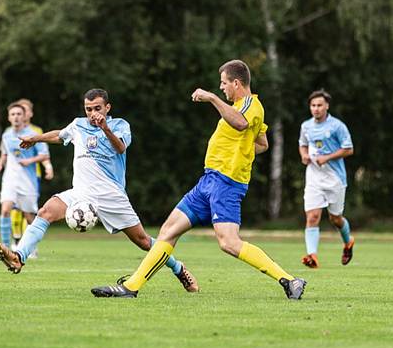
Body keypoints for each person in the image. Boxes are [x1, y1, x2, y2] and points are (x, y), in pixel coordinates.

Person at [91, 60, 306, 299]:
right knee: (168, 231)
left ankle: (290, 280)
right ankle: (130, 287)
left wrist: (212, 98)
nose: (222, 87)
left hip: (227, 183)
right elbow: (262, 144)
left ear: (236, 83)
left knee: (229, 243)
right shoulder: (239, 106)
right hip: (208, 181)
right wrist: (240, 151)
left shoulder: (249, 105)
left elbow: (240, 123)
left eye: (224, 83)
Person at [0, 89, 199, 293]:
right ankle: (19, 257)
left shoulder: (120, 125)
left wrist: (105, 128)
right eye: (88, 109)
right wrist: (35, 138)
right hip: (80, 192)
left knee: (143, 241)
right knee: (45, 211)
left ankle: (178, 268)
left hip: (111, 195)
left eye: (97, 108)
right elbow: (59, 135)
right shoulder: (78, 124)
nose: (92, 113)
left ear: (107, 107)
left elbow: (120, 148)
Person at [298, 89, 356, 268]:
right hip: (314, 178)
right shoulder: (306, 126)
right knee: (313, 216)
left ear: (327, 106)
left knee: (335, 219)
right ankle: (312, 255)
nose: (316, 109)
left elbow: (349, 149)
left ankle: (348, 242)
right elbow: (302, 144)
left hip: (335, 179)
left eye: (319, 105)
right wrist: (304, 155)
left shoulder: (337, 126)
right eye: (313, 105)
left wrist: (327, 157)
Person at [0, 102, 49, 250]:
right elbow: (4, 154)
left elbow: (44, 155)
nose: (16, 117)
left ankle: (31, 248)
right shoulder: (6, 135)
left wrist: (30, 160)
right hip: (10, 179)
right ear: (9, 118)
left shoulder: (34, 135)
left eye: (19, 114)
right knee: (5, 210)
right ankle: (4, 248)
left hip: (28, 181)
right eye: (13, 114)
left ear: (24, 116)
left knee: (29, 216)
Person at [9, 98, 53, 256]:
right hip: (14, 178)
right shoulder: (11, 132)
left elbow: (44, 151)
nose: (22, 114)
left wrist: (48, 167)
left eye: (25, 110)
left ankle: (29, 245)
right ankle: (15, 243)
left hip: (32, 177)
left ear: (30, 113)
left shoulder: (36, 131)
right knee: (13, 209)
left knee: (28, 211)